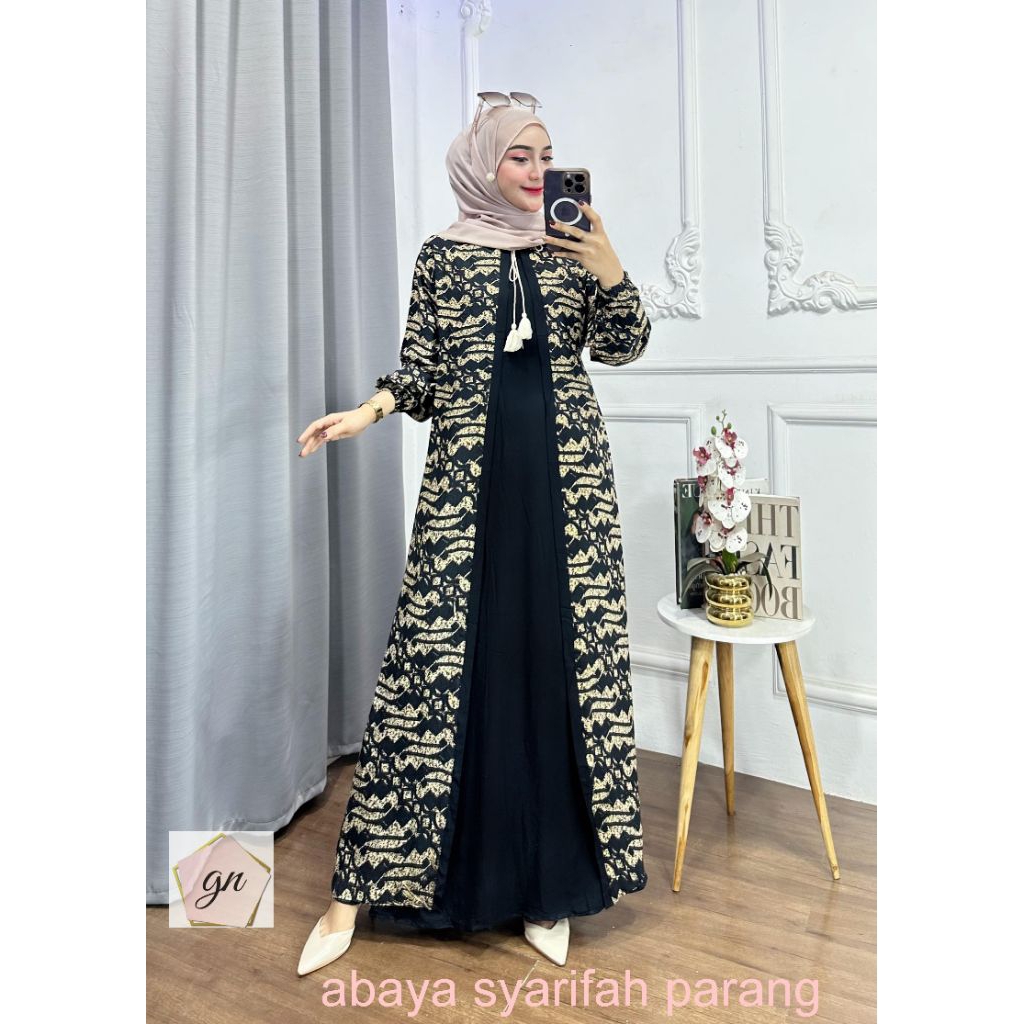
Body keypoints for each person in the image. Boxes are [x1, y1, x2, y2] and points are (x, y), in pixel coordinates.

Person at [295, 92, 651, 976]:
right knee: (433, 668)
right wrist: (369, 409)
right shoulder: (444, 257)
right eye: (519, 157)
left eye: (546, 156)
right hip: (469, 490)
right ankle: (357, 891)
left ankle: (546, 885)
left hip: (567, 492)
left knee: (553, 668)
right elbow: (423, 371)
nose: (537, 172)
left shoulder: (574, 249)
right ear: (483, 164)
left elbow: (623, 345)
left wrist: (609, 265)